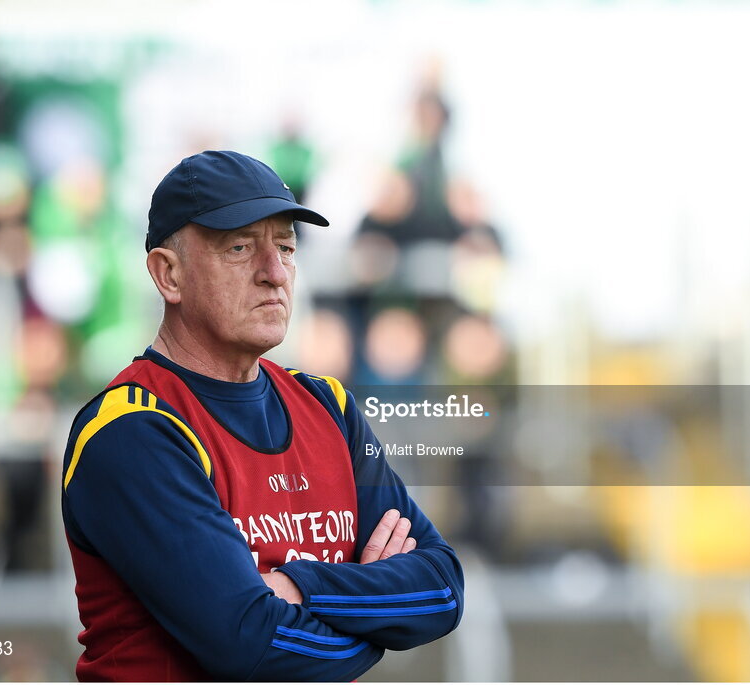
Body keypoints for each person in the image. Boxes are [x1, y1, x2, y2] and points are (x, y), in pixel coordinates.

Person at [60, 150, 464, 681]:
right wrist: (372, 625)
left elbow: (442, 588)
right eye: (239, 247)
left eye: (286, 247)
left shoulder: (329, 407)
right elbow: (248, 644)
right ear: (169, 274)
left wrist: (298, 587)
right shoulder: (132, 430)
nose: (274, 273)